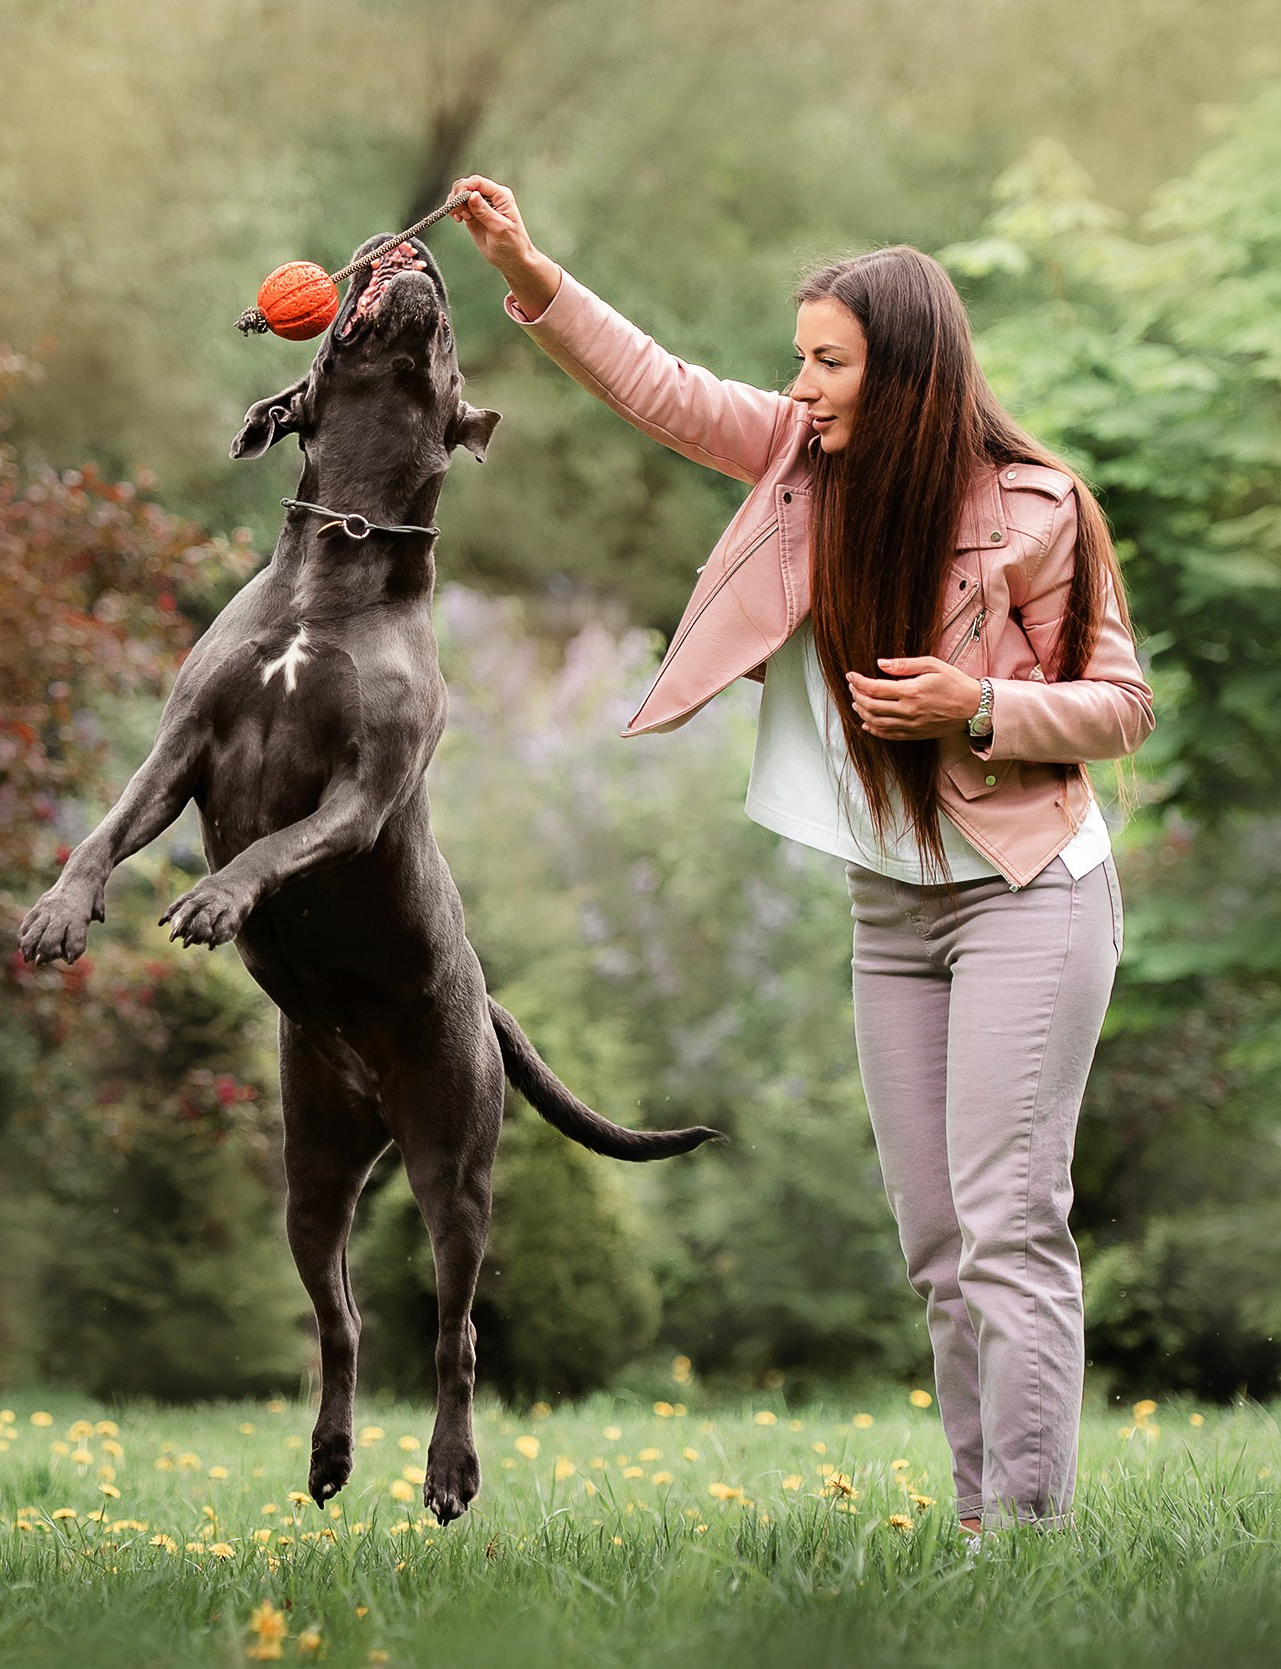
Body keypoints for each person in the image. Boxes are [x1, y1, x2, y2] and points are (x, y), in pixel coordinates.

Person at [447, 176, 1154, 1532]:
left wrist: (984, 708)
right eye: (803, 358)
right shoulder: (794, 464)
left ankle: (1033, 1536)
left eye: (829, 361)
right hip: (891, 908)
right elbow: (659, 386)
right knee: (941, 1248)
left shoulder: (1042, 510)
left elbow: (1119, 705)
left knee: (1010, 1225)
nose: (804, 383)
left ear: (909, 376)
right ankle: (977, 1531)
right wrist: (531, 273)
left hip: (1027, 894)